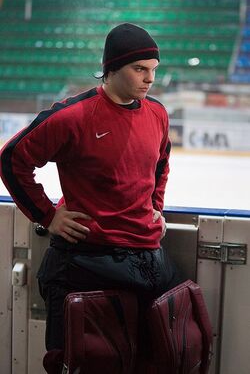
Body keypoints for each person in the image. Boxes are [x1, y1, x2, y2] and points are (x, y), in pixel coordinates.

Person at [0, 23, 182, 372]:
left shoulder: (157, 112)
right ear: (111, 68)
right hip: (88, 259)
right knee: (77, 362)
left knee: (158, 358)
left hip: (148, 259)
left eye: (153, 70)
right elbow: (12, 159)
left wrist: (156, 208)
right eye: (140, 69)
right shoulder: (73, 116)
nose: (149, 79)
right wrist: (47, 215)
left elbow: (161, 161)